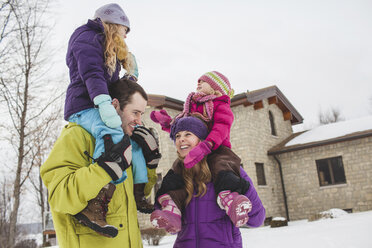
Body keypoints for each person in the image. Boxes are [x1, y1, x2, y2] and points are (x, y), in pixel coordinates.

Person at [64, 3, 156, 236]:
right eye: (126, 30)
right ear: (116, 25)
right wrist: (104, 103)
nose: (127, 36)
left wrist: (131, 77)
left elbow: (113, 83)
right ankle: (94, 203)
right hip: (85, 106)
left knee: (131, 144)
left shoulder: (109, 45)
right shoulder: (87, 37)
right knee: (114, 137)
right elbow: (92, 73)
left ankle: (138, 193)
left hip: (101, 103)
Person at [41, 78, 159, 247]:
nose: (139, 121)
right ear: (115, 106)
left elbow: (137, 197)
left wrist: (150, 163)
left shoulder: (125, 143)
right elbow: (60, 197)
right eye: (135, 113)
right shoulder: (76, 136)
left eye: (142, 114)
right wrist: (103, 169)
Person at [150, 71, 252, 228]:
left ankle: (230, 199)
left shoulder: (220, 105)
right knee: (177, 170)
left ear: (216, 88)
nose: (198, 82)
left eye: (203, 81)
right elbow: (186, 127)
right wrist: (169, 124)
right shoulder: (192, 105)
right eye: (198, 80)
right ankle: (171, 208)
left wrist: (207, 145)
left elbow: (221, 128)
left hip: (217, 148)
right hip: (195, 152)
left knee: (221, 166)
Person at [150, 116, 265, 247]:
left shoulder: (227, 171)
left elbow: (257, 220)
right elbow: (172, 228)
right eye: (177, 136)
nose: (181, 139)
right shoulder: (175, 177)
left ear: (202, 140)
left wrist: (243, 188)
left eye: (188, 134)